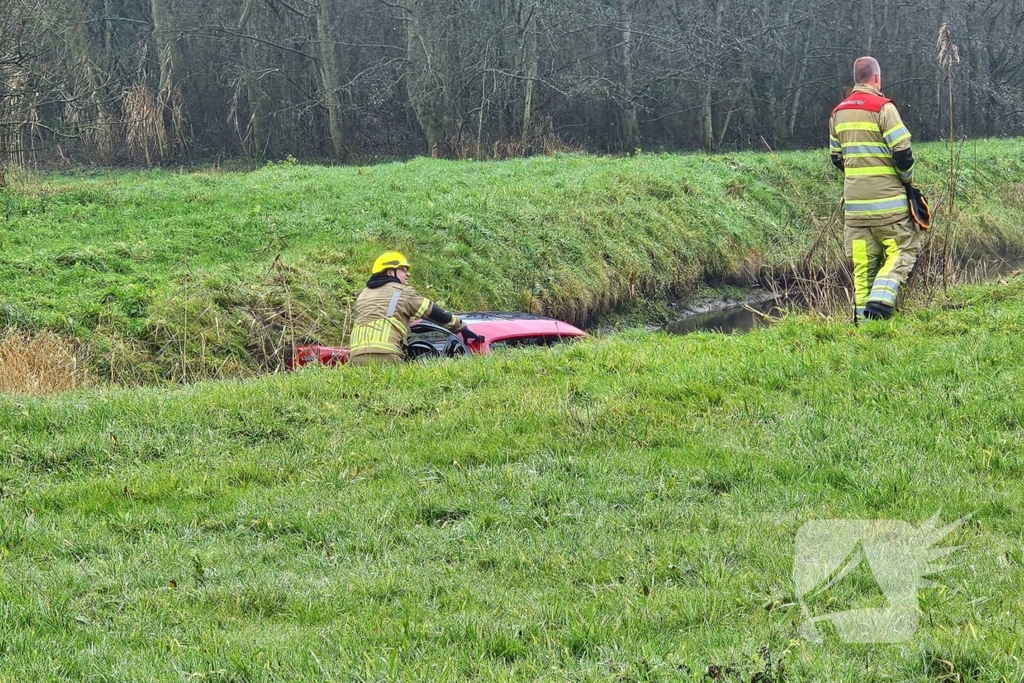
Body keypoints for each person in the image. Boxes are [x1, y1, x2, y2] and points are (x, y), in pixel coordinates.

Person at [829, 56, 920, 320]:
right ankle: (881, 303)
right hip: (888, 208)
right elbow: (903, 152)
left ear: (856, 79)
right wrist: (906, 180)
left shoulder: (838, 113)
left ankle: (866, 329)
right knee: (902, 251)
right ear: (877, 79)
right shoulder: (883, 107)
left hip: (855, 212)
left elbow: (837, 158)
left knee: (863, 267)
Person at [348, 251, 484, 365]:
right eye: (403, 270)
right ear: (390, 272)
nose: (408, 274)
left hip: (356, 357)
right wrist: (461, 327)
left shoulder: (362, 294)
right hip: (387, 355)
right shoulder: (402, 292)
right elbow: (434, 312)